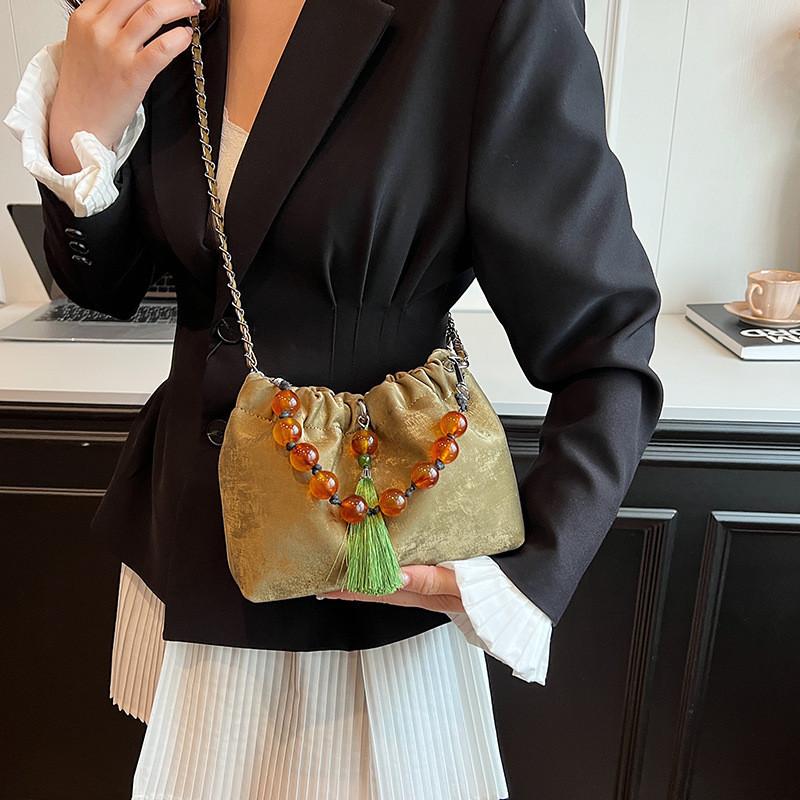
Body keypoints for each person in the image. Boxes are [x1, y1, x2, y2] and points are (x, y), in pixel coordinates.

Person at [4, 0, 664, 797]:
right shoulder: (166, 5)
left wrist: (530, 575)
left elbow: (604, 338)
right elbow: (106, 287)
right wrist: (85, 119)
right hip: (183, 553)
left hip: (363, 573)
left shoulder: (488, 15)